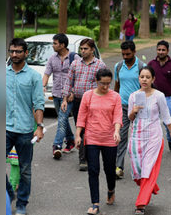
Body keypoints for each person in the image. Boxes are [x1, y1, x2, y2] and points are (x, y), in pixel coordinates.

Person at [128, 66, 171, 214]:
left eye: (148, 77)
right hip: (137, 136)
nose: (144, 80)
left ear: (153, 79)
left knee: (147, 170)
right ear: (139, 79)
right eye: (142, 77)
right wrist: (133, 111)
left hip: (154, 137)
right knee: (138, 171)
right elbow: (130, 119)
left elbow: (166, 115)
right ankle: (151, 186)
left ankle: (140, 204)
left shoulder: (159, 96)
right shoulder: (133, 96)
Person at [74, 68, 123, 215]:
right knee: (93, 171)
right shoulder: (88, 96)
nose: (106, 87)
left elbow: (117, 116)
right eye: (102, 83)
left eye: (108, 83)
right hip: (92, 138)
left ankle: (110, 189)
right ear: (96, 81)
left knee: (109, 170)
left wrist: (116, 131)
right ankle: (95, 203)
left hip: (109, 138)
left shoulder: (115, 97)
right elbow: (81, 116)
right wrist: (77, 135)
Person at [6, 38, 45, 215]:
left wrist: (40, 126)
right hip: (3, 128)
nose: (14, 54)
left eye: (18, 51)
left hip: (25, 130)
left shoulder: (34, 76)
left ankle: (22, 204)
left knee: (25, 169)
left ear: (26, 53)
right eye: (12, 51)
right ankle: (8, 192)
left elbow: (38, 103)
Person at [61, 38, 107, 171]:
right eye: (81, 49)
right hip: (77, 102)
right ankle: (85, 156)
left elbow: (104, 85)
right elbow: (68, 82)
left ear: (93, 50)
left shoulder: (100, 65)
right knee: (80, 129)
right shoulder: (75, 64)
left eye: (85, 49)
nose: (83, 51)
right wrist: (65, 99)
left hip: (94, 103)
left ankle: (84, 159)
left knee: (89, 130)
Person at [43, 33, 80, 159]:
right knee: (62, 118)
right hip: (56, 93)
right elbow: (47, 74)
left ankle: (56, 146)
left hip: (69, 96)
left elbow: (79, 76)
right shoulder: (52, 58)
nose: (52, 45)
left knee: (62, 119)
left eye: (55, 43)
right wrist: (43, 86)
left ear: (62, 45)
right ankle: (70, 140)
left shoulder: (74, 58)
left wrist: (73, 91)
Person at [114, 40, 146, 179]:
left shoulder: (142, 67)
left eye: (128, 54)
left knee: (138, 138)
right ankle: (118, 166)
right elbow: (117, 86)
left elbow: (146, 87)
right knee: (120, 136)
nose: (125, 57)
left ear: (134, 52)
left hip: (138, 107)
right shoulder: (119, 66)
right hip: (122, 106)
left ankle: (142, 166)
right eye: (123, 54)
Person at [147, 40, 171, 152]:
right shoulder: (151, 64)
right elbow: (145, 80)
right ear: (156, 50)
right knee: (151, 120)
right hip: (152, 97)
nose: (161, 52)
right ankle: (152, 143)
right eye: (159, 50)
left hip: (168, 97)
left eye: (163, 50)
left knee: (169, 119)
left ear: (168, 51)